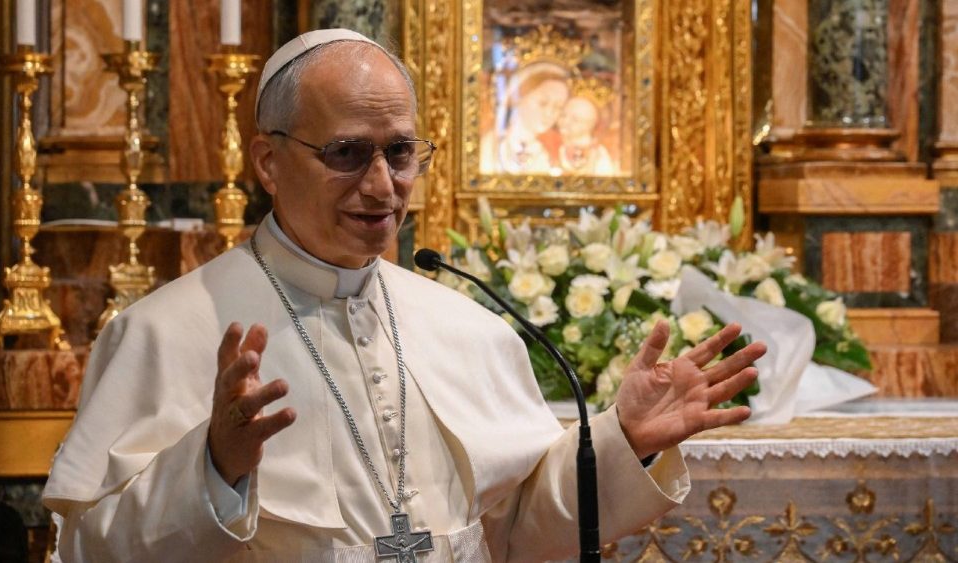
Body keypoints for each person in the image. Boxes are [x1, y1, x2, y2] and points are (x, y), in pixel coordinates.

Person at [42, 29, 764, 562]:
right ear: (267, 160)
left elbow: (516, 534)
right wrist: (212, 467)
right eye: (348, 153)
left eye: (401, 151)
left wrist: (620, 441)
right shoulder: (164, 333)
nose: (384, 186)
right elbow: (85, 549)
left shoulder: (466, 329)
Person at [481, 62, 570, 175]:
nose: (550, 114)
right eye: (543, 103)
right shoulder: (492, 145)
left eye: (558, 107)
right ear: (520, 97)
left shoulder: (552, 153)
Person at [556, 96, 615, 176]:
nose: (564, 121)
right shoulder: (555, 146)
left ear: (589, 125)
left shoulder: (599, 155)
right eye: (563, 115)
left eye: (575, 119)